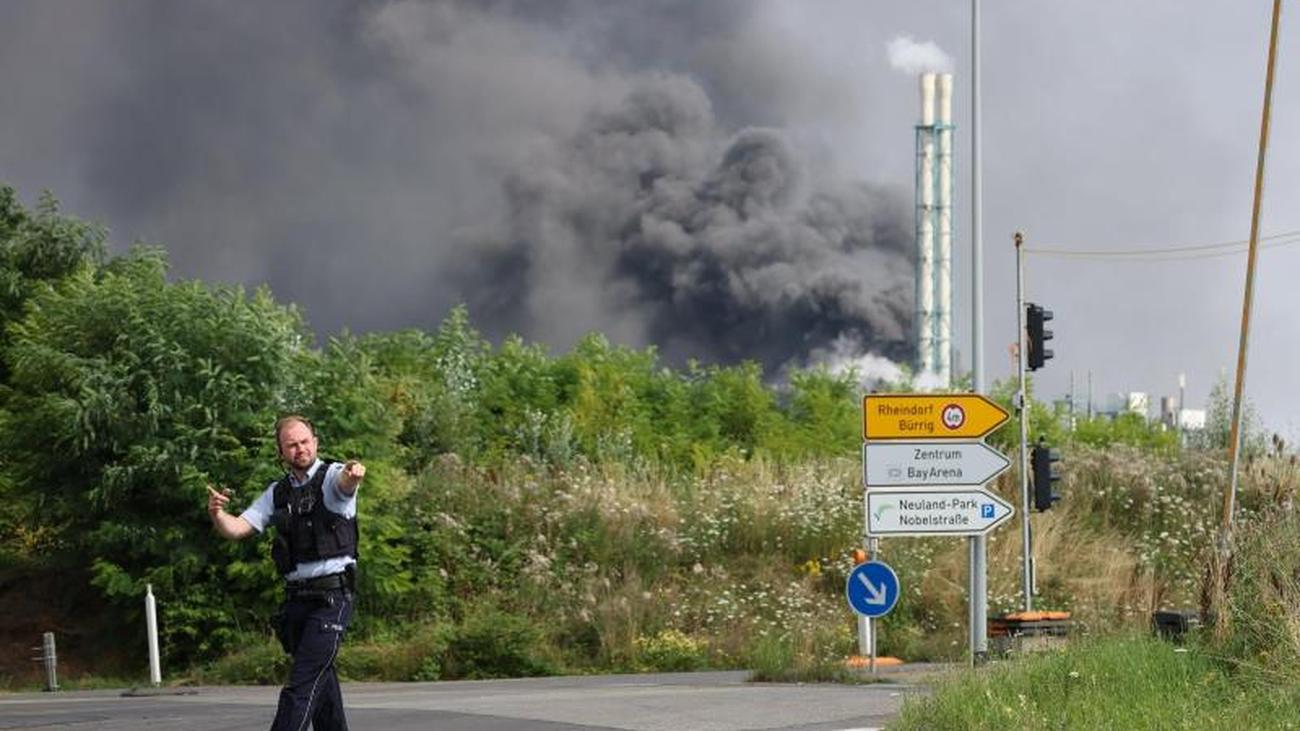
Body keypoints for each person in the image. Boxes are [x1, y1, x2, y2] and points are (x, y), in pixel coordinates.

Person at [207, 415, 365, 731]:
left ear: (315, 443)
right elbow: (238, 528)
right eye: (291, 444)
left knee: (301, 685)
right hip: (296, 602)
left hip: (331, 599)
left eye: (305, 442)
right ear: (281, 452)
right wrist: (217, 513)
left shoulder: (333, 476)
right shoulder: (277, 493)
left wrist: (353, 473)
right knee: (323, 687)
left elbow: (345, 483)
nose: (300, 449)